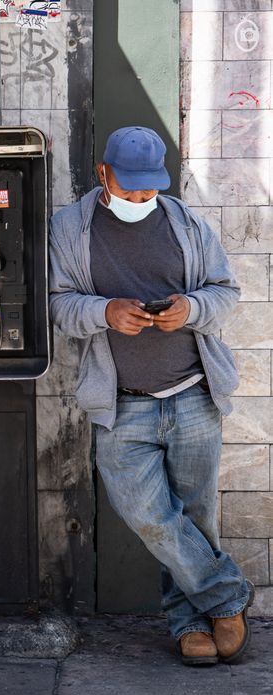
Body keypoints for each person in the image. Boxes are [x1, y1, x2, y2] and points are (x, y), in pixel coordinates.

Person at [49, 126, 254, 666]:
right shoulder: (69, 229)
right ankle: (229, 598)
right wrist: (105, 312)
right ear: (104, 175)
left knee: (194, 519)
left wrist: (191, 308)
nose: (142, 198)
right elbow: (59, 304)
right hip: (122, 403)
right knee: (152, 518)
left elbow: (225, 292)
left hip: (193, 394)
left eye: (150, 188)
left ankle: (191, 627)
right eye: (130, 187)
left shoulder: (186, 222)